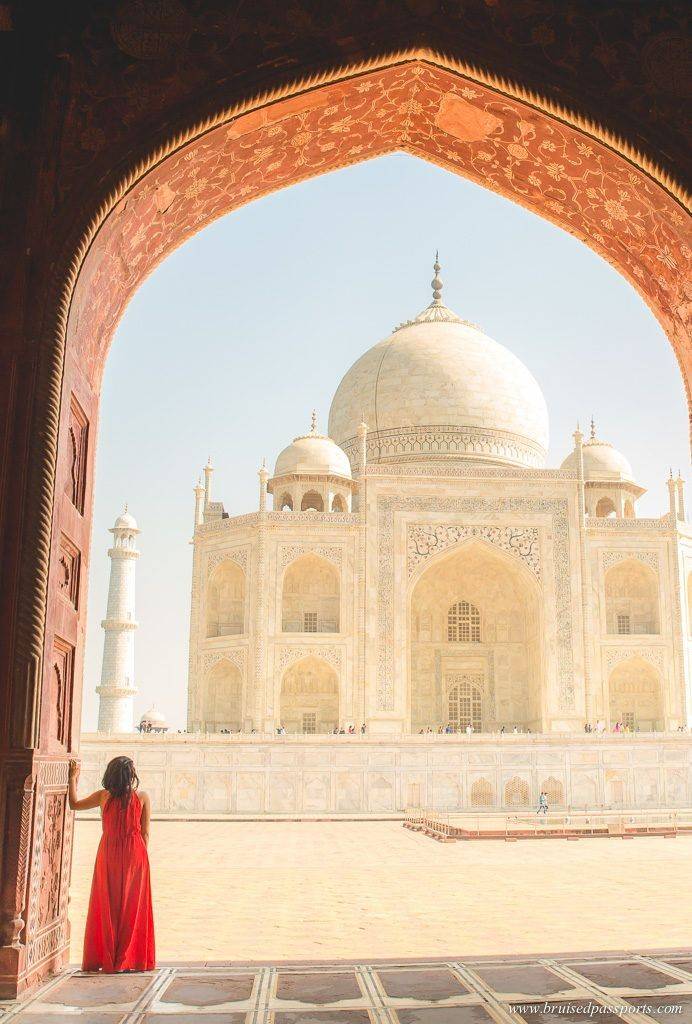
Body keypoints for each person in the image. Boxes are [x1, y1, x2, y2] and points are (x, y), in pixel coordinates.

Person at [68, 756, 155, 974]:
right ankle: (129, 958)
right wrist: (141, 858)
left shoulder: (102, 796)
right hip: (135, 853)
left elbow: (74, 804)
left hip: (108, 853)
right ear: (131, 775)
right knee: (132, 905)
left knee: (108, 903)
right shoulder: (142, 797)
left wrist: (72, 778)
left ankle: (108, 956)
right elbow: (145, 832)